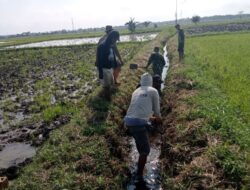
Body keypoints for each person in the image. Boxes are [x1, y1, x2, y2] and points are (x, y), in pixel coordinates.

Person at [124, 73, 162, 179]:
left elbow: (139, 110)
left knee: (139, 136)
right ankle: (139, 174)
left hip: (128, 121)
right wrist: (159, 120)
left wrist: (151, 118)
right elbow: (157, 112)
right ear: (151, 82)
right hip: (138, 123)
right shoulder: (153, 91)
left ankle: (139, 149)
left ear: (141, 81)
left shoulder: (136, 91)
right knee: (145, 151)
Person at [96, 30, 120, 100]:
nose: (116, 41)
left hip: (109, 68)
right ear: (112, 38)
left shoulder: (111, 45)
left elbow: (113, 57)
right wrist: (100, 73)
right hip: (104, 69)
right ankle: (107, 100)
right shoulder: (102, 46)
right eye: (115, 39)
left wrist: (115, 65)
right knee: (107, 86)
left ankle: (107, 97)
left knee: (111, 83)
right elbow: (99, 61)